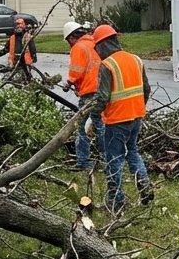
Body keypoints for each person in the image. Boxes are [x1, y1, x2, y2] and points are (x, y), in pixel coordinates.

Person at [89, 23, 154, 215]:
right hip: (136, 116)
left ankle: (116, 202)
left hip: (117, 120)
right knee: (132, 151)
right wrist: (139, 107)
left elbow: (102, 97)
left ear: (102, 45)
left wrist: (94, 116)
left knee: (114, 159)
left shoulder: (107, 65)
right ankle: (144, 184)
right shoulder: (136, 59)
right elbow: (146, 89)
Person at [63, 20, 104, 171]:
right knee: (100, 125)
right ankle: (109, 159)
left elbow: (76, 71)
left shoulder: (78, 47)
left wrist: (69, 82)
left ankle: (83, 161)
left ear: (71, 37)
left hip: (88, 92)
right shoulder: (94, 43)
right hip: (101, 90)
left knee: (80, 127)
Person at [0, 15, 37, 81]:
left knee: (25, 78)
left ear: (23, 26)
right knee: (15, 79)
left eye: (20, 26)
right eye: (17, 26)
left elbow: (32, 49)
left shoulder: (27, 37)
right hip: (14, 62)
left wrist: (34, 57)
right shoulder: (12, 38)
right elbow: (6, 49)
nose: (18, 28)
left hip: (25, 63)